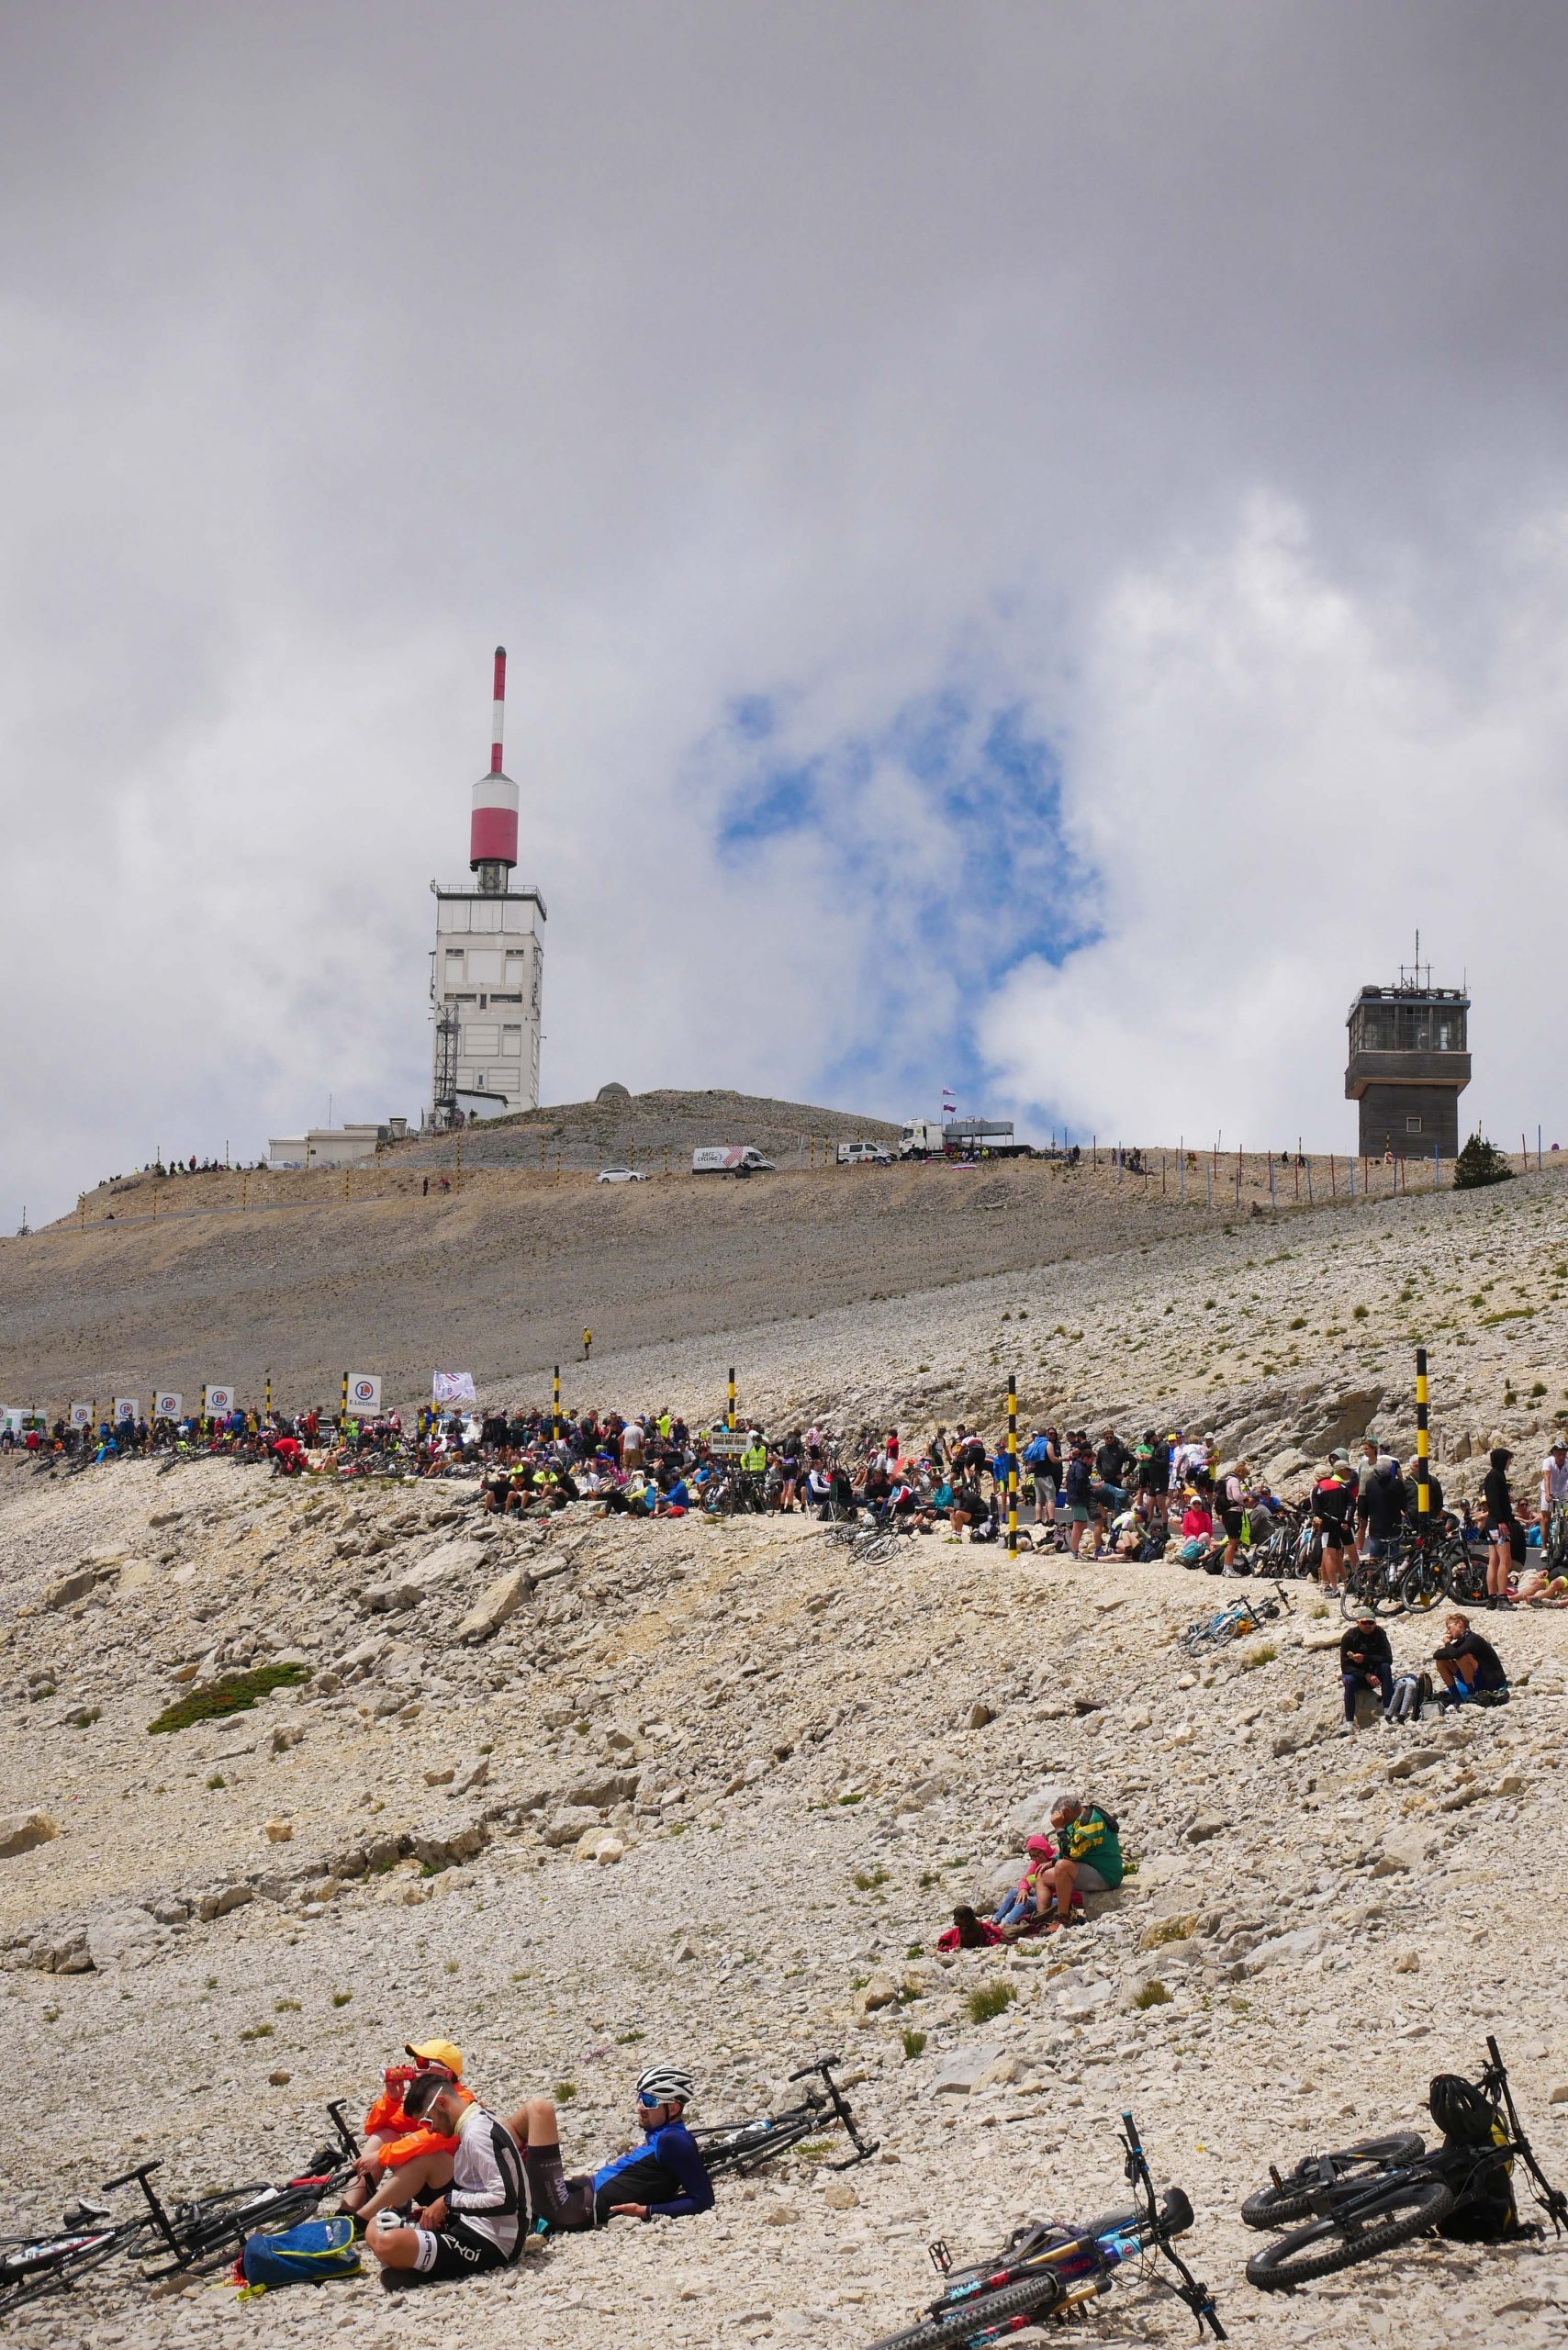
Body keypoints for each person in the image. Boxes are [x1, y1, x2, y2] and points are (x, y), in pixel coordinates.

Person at [365, 2071, 526, 2288]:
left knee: (385, 2243)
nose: (431, 2130)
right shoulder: (473, 2123)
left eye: (427, 2121)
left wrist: (447, 2203)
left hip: (495, 2242)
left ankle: (427, 2270)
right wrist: (448, 2212)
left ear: (441, 2103)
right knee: (377, 2225)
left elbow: (504, 2199)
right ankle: (426, 2267)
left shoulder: (476, 2134)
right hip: (472, 2225)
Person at [506, 2064, 713, 2230]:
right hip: (575, 2196)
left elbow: (702, 2200)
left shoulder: (673, 2141)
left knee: (539, 2109)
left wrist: (645, 2210)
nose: (640, 2107)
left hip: (569, 2208)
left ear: (674, 2107)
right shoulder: (663, 2136)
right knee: (498, 2128)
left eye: (649, 2101)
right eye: (640, 2098)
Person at [1035, 1794, 1124, 1934]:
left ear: (1067, 1812)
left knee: (1062, 1867)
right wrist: (1052, 1860)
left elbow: (1072, 1855)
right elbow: (1070, 1846)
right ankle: (1043, 1921)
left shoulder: (1090, 1823)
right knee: (1041, 1875)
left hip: (1106, 1875)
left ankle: (1062, 1919)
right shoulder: (1077, 1818)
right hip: (1088, 1868)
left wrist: (1059, 1829)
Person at [1433, 1612, 1509, 1708]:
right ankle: (1457, 1698)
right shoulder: (1462, 1641)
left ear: (1460, 1624)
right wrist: (1449, 1645)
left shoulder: (1473, 1639)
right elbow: (1437, 1655)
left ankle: (1471, 1694)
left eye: (1449, 1628)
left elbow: (1456, 1654)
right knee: (1441, 1662)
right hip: (1476, 1679)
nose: (1448, 1632)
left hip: (1490, 1681)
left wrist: (1448, 1644)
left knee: (1462, 1658)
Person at [1481, 1447, 1524, 1606]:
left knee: (1494, 1561)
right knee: (1505, 1560)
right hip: (1498, 1524)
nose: (1510, 1463)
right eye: (1508, 1459)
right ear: (1502, 1460)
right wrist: (1501, 1521)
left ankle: (1492, 1598)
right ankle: (1502, 1597)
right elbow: (1493, 1501)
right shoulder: (1495, 1476)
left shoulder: (1496, 1476)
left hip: (1493, 1523)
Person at [1339, 1610, 1394, 1726]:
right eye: (1364, 1623)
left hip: (1375, 1674)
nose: (1368, 1626)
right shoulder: (1349, 1636)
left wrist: (1366, 1658)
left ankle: (1388, 1710)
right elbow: (1345, 1666)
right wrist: (1365, 1674)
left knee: (1385, 1667)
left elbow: (1388, 1658)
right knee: (1348, 1681)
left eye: (1371, 1623)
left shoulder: (1380, 1633)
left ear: (1375, 1623)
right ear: (1358, 1622)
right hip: (1356, 1676)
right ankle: (1349, 1721)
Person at [1311, 1453, 1355, 1592]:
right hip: (1345, 1525)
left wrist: (1334, 1521)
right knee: (1352, 1553)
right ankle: (1357, 1581)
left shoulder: (1317, 1489)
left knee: (1329, 1554)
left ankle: (1334, 1587)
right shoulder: (1341, 1486)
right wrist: (1346, 1520)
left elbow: (1318, 1512)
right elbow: (1352, 1503)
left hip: (1329, 1526)